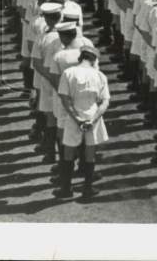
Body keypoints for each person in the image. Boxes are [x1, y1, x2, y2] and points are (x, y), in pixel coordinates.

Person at [56, 44, 110, 200]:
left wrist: (77, 119)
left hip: (73, 118)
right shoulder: (100, 76)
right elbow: (105, 103)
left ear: (80, 57)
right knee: (90, 154)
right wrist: (92, 120)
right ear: (94, 60)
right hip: (93, 116)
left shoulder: (68, 73)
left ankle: (66, 189)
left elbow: (65, 99)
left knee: (68, 153)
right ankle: (88, 189)